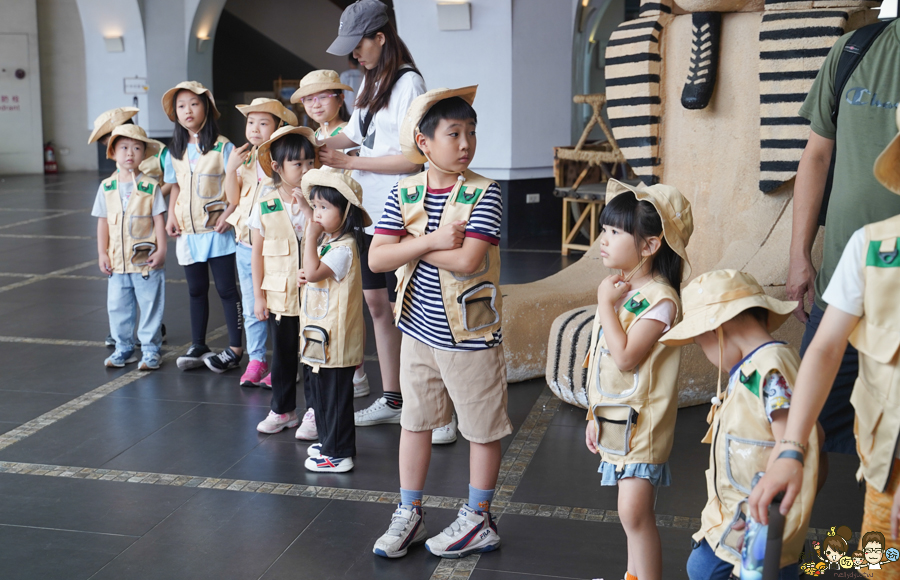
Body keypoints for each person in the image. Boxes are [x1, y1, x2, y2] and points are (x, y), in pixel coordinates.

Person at [749, 107, 900, 580]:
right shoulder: (872, 248)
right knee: (883, 565)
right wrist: (790, 449)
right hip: (885, 478)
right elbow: (826, 348)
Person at [367, 86, 509, 558]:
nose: (466, 143)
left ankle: (478, 518)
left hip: (470, 334)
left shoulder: (485, 192)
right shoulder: (404, 190)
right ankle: (410, 513)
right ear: (424, 142)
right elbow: (377, 258)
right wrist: (429, 240)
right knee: (416, 421)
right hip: (417, 330)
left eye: (471, 133)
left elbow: (469, 260)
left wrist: (412, 243)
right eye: (454, 134)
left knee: (481, 427)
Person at [320, 0, 439, 438]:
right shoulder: (371, 81)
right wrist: (307, 145)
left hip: (401, 213)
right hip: (371, 213)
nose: (354, 55)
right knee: (377, 305)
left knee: (408, 308)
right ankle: (393, 398)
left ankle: (432, 408)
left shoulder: (409, 82)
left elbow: (412, 159)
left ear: (380, 38)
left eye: (359, 45)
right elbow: (354, 135)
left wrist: (349, 163)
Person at [786, 18, 900, 456]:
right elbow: (816, 155)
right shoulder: (856, 49)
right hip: (843, 281)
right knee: (814, 424)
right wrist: (799, 255)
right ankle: (838, 529)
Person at [660, 270, 819, 580]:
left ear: (716, 331)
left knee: (717, 570)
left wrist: (767, 513)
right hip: (735, 513)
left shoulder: (769, 370)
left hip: (760, 519)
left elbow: (793, 440)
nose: (707, 355)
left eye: (699, 342)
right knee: (702, 567)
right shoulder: (755, 367)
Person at [582, 178, 693, 580]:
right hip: (616, 419)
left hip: (643, 428)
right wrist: (592, 417)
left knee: (635, 514)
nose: (604, 239)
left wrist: (604, 305)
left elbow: (627, 357)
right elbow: (602, 364)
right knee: (628, 514)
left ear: (649, 245)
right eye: (604, 230)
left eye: (615, 232)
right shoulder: (620, 289)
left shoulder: (661, 300)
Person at [161, 81, 244, 373]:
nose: (187, 111)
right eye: (181, 106)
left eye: (194, 104)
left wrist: (230, 214)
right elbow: (176, 187)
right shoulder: (175, 149)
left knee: (225, 289)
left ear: (206, 108)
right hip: (188, 231)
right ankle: (199, 344)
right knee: (196, 290)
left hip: (217, 229)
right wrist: (171, 215)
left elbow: (239, 185)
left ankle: (236, 347)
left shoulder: (224, 147)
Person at [248, 126, 317, 438]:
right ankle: (283, 410)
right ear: (277, 167)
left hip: (317, 296)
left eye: (309, 163)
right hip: (280, 297)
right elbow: (257, 254)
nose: (305, 170)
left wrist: (308, 209)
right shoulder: (264, 203)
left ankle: (315, 412)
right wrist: (258, 297)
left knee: (315, 355)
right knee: (284, 354)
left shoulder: (321, 200)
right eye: (297, 164)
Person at [298, 169, 369, 473]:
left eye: (325, 208)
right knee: (320, 393)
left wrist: (310, 237)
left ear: (347, 212)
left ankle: (339, 452)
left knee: (335, 397)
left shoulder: (344, 247)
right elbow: (315, 273)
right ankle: (327, 443)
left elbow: (315, 272)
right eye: (315, 207)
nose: (317, 214)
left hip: (335, 341)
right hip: (320, 335)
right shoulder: (331, 242)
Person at [225, 98, 298, 389]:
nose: (255, 128)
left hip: (278, 247)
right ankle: (257, 360)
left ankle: (285, 365)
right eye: (251, 122)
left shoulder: (283, 157)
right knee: (253, 303)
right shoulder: (243, 158)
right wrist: (231, 169)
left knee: (282, 307)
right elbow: (232, 199)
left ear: (279, 126)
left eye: (263, 122)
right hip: (245, 243)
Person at [88, 107, 168, 349]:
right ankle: (123, 338)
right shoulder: (110, 181)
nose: (126, 152)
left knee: (148, 294)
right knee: (120, 298)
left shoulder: (157, 155)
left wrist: (147, 200)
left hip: (149, 226)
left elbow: (173, 182)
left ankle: (151, 338)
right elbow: (104, 218)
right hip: (124, 242)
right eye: (111, 145)